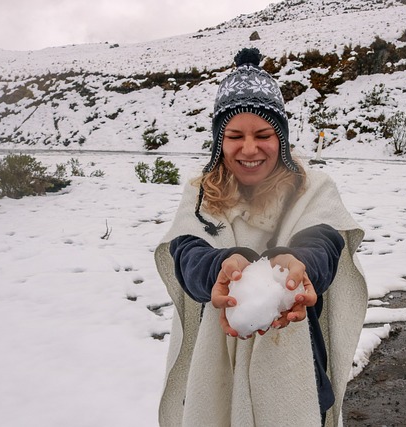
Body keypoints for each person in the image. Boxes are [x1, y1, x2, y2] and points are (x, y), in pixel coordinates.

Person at [154, 47, 368, 427]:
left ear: (281, 137)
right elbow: (187, 254)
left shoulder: (311, 189)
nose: (249, 149)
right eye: (234, 135)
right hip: (215, 374)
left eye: (263, 134)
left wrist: (297, 265)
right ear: (219, 140)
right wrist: (221, 266)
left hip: (299, 371)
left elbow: (324, 242)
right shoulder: (201, 195)